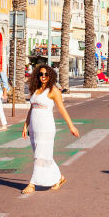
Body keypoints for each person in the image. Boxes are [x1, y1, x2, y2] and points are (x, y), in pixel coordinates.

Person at [21, 64, 80, 194]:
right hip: (34, 126)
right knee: (43, 155)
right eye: (41, 74)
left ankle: (32, 184)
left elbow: (62, 109)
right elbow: (31, 108)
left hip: (46, 126)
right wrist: (26, 125)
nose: (43, 77)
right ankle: (59, 178)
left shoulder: (54, 91)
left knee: (39, 155)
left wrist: (71, 126)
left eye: (46, 74)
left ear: (51, 76)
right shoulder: (35, 90)